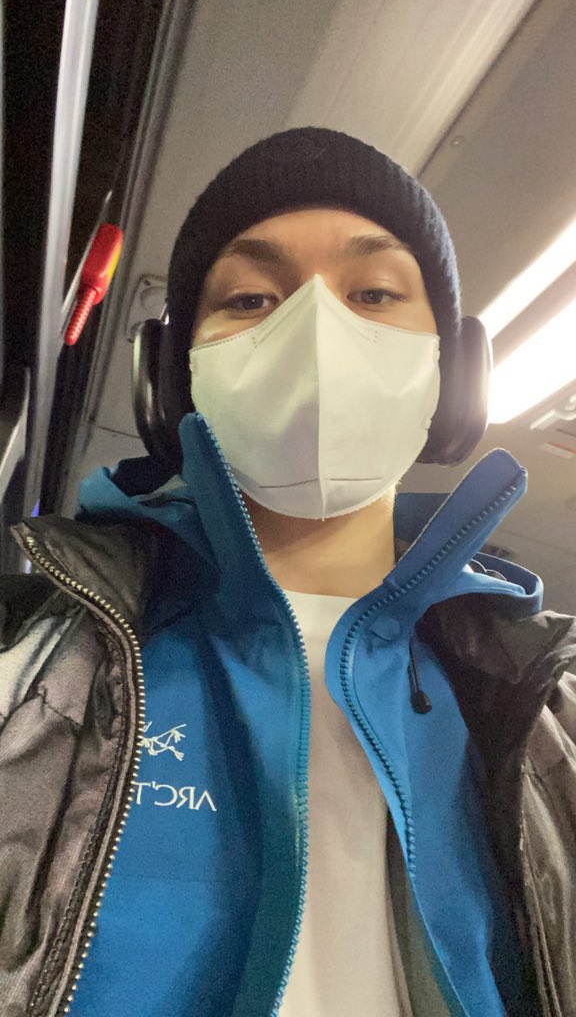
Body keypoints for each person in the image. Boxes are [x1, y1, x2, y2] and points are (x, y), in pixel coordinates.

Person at [0, 127, 574, 1017]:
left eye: (373, 292)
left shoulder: (545, 709)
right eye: (252, 299)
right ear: (174, 380)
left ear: (454, 372)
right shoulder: (32, 664)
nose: (316, 333)